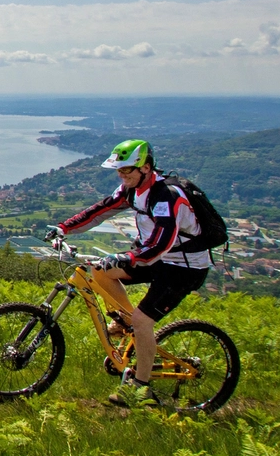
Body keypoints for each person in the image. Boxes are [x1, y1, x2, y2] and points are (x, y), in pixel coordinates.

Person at [46, 139, 211, 407]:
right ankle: (126, 324)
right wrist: (65, 228)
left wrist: (127, 257)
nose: (122, 177)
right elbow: (99, 210)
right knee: (100, 271)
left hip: (184, 266)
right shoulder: (131, 189)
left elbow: (162, 243)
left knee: (143, 320)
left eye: (127, 171)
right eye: (119, 172)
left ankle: (141, 388)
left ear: (146, 168)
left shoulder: (167, 197)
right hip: (156, 259)